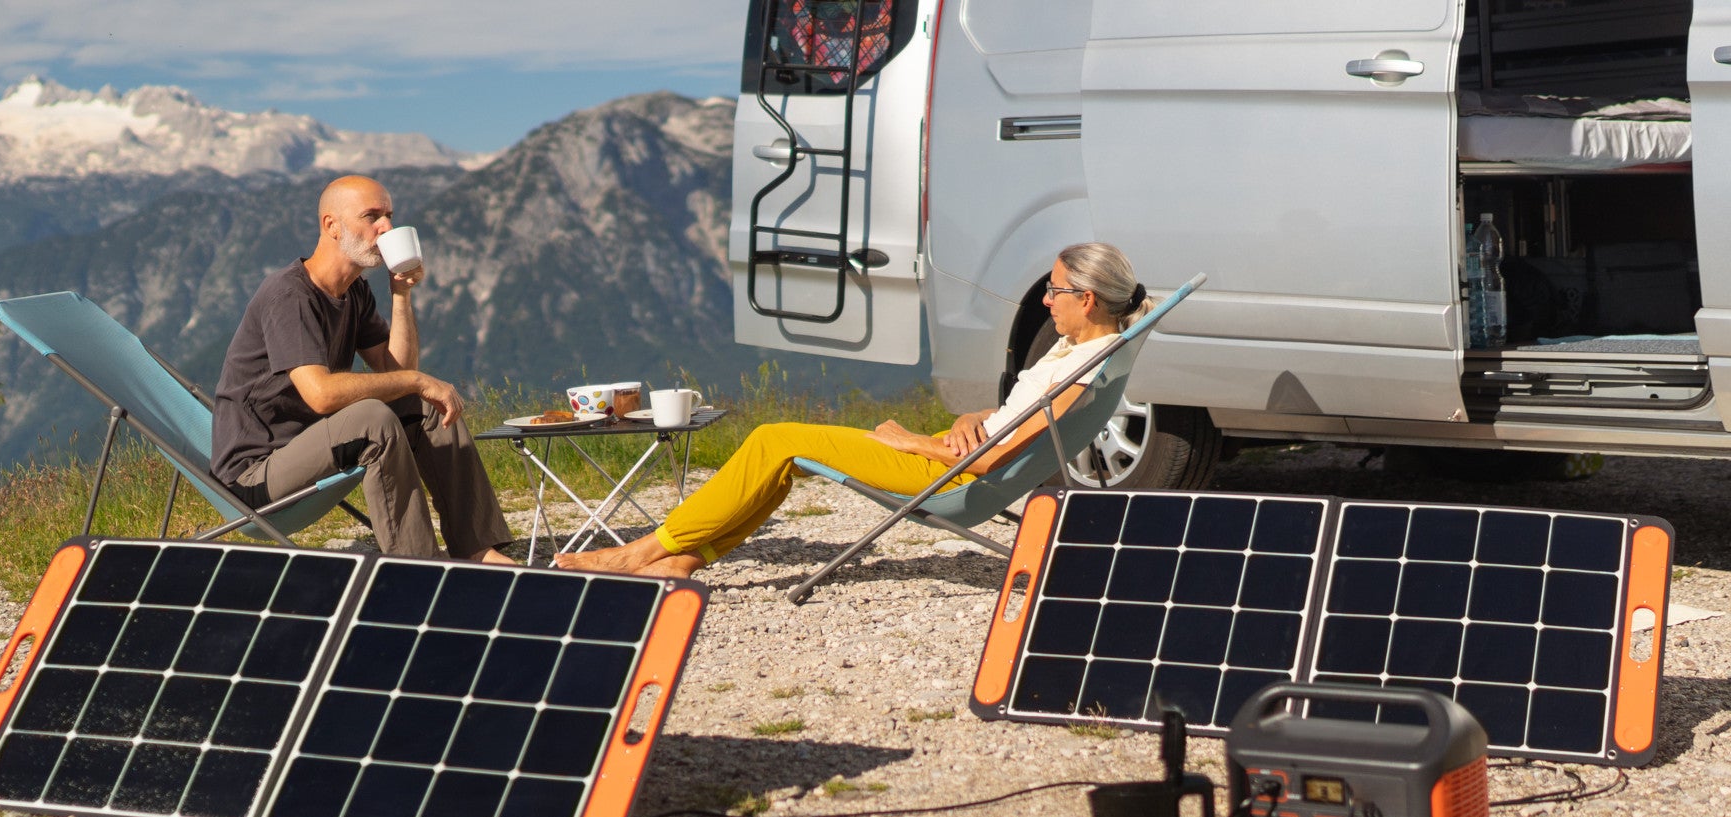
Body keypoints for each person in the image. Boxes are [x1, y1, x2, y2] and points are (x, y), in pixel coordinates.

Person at [558, 242, 1152, 579]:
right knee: (784, 453)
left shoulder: (1081, 368)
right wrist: (970, 418)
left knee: (773, 439)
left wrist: (916, 442)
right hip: (957, 454)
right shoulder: (1089, 351)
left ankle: (640, 552)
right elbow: (1010, 424)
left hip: (948, 477)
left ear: (1088, 298)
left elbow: (995, 456)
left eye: (1054, 291)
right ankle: (684, 557)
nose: (1046, 302)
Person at [209, 175, 514, 562]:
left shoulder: (354, 292)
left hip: (312, 445)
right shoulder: (290, 295)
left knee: (425, 408)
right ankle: (418, 567)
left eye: (388, 216)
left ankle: (476, 549)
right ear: (331, 226)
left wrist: (400, 294)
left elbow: (397, 373)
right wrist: (417, 380)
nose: (386, 226)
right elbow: (321, 395)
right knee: (374, 416)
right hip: (253, 478)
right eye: (372, 216)